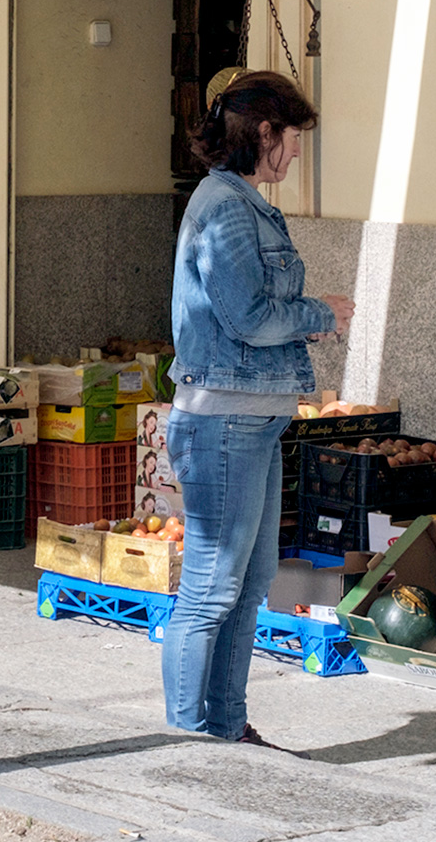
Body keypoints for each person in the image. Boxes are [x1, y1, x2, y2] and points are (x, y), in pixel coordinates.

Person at [161, 71, 354, 747]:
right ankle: (188, 739)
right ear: (264, 132)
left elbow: (248, 313)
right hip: (225, 422)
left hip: (251, 420)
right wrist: (319, 314)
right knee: (212, 588)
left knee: (248, 586)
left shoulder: (239, 202)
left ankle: (226, 729)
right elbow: (246, 316)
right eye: (293, 136)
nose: (297, 151)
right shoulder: (226, 207)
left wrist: (307, 318)